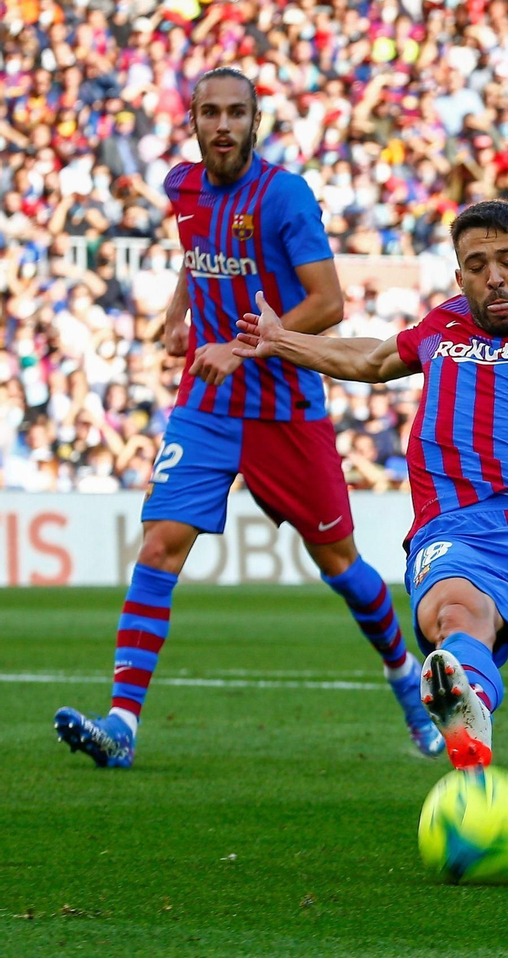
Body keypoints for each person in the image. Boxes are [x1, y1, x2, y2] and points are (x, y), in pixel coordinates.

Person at [235, 140, 508, 858]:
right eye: (477, 266)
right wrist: (285, 341)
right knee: (456, 611)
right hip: (459, 524)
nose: (494, 278)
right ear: (460, 277)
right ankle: (466, 701)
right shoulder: (442, 327)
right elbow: (376, 357)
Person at [53, 67, 442, 768]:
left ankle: (404, 677)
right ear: (194, 120)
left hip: (284, 408)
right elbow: (196, 254)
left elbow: (328, 302)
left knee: (341, 565)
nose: (223, 124)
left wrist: (240, 345)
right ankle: (122, 725)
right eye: (210, 112)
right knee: (159, 546)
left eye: (236, 112)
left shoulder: (284, 195)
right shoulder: (182, 187)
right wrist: (180, 307)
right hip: (206, 402)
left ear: (255, 121)